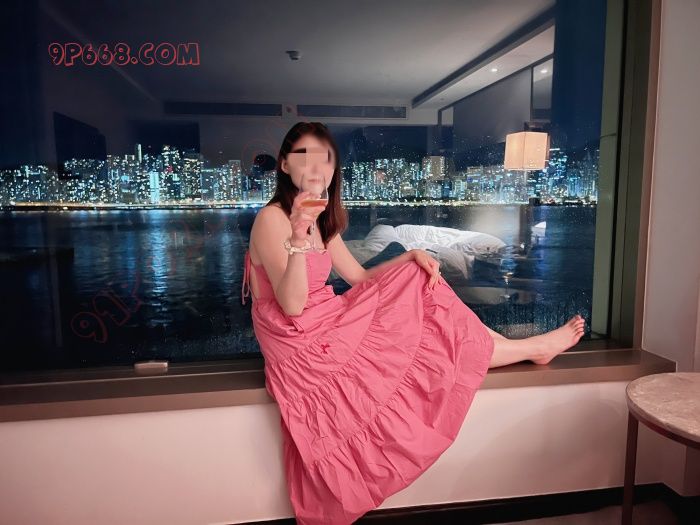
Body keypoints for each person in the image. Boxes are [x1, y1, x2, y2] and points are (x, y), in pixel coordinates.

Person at [241, 122, 585, 524]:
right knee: (427, 321)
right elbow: (293, 305)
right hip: (300, 341)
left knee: (421, 285)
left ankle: (521, 347)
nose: (317, 168)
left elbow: (360, 277)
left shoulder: (318, 218)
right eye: (305, 157)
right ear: (285, 164)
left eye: (326, 159)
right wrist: (299, 236)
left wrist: (409, 256)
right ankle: (531, 348)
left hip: (325, 321)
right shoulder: (272, 219)